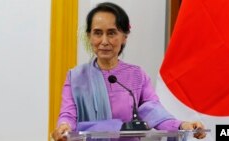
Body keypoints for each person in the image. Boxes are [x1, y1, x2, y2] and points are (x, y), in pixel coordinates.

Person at [52, 2, 206, 141]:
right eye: (98, 33)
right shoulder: (76, 77)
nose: (104, 41)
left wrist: (183, 125)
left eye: (111, 33)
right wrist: (64, 127)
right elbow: (68, 115)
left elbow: (154, 112)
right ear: (89, 36)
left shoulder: (137, 76)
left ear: (124, 37)